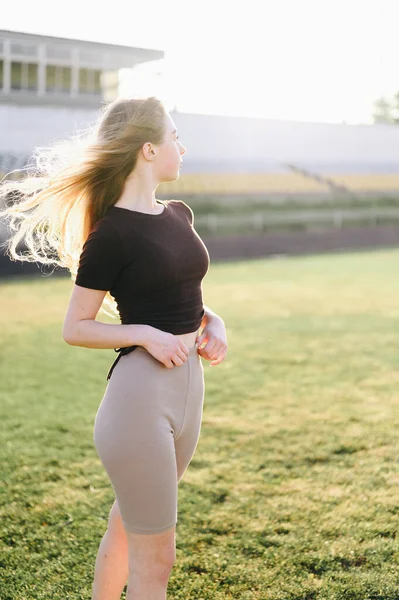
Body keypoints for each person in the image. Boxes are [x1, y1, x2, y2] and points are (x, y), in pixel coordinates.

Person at [0, 96, 228, 600]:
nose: (182, 147)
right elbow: (76, 326)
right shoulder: (112, 235)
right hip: (140, 404)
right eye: (175, 138)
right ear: (149, 150)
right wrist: (143, 334)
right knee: (158, 559)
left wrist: (213, 321)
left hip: (188, 397)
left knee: (127, 529)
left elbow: (183, 294)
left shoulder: (178, 215)